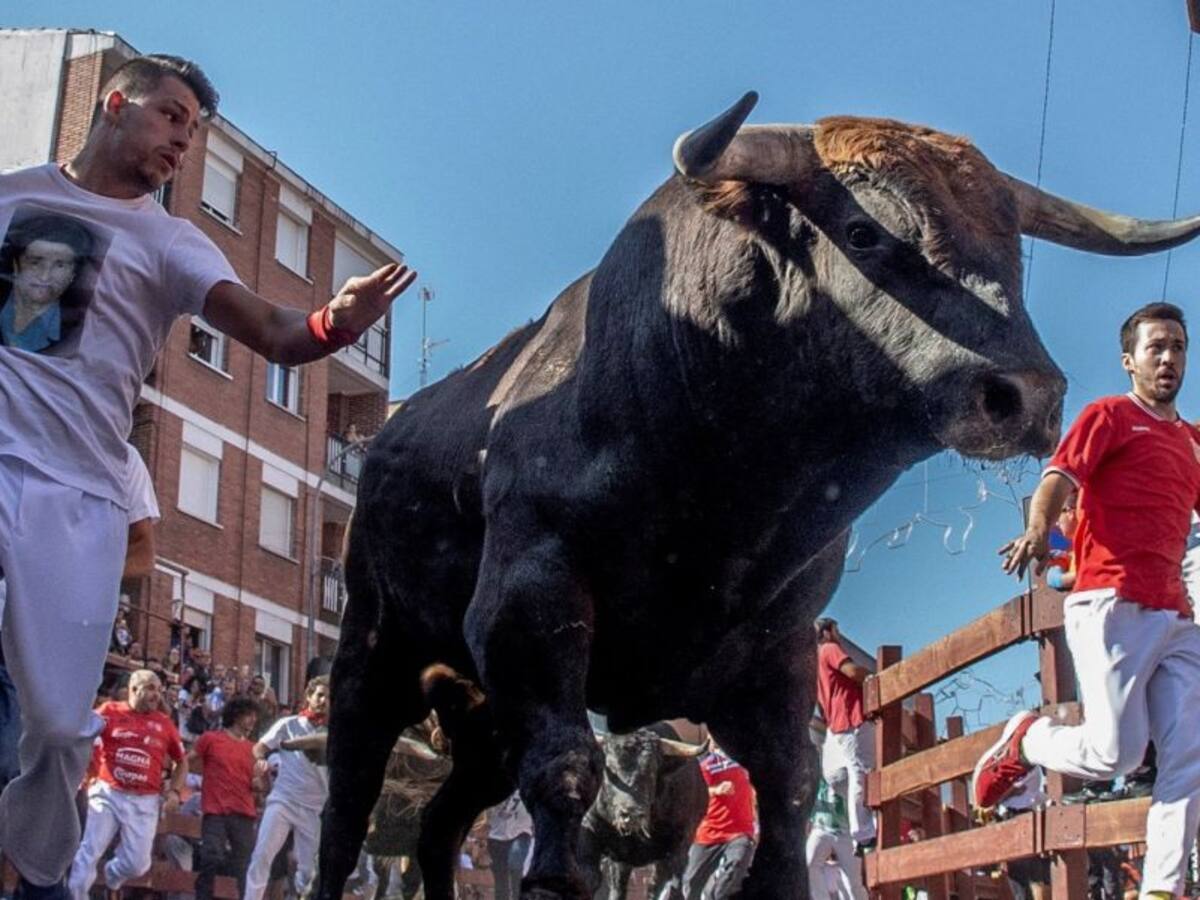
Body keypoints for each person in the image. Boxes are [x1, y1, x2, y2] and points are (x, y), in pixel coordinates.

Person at [0, 52, 414, 897]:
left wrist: (337, 322)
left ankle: (38, 872)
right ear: (116, 103)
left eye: (192, 133)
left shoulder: (170, 242)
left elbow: (274, 333)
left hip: (77, 495)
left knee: (56, 726)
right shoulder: (9, 197)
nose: (182, 143)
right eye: (171, 117)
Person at [974, 302, 1200, 900]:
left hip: (1177, 615)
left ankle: (1161, 889)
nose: (1169, 358)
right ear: (1130, 361)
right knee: (1115, 755)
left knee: (1189, 754)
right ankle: (1028, 739)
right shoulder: (1110, 416)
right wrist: (1037, 529)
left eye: (1178, 347)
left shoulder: (1192, 441)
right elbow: (1059, 476)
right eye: (1156, 348)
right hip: (1110, 603)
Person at [66, 669, 187, 900]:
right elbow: (81, 737)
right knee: (89, 851)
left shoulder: (164, 723)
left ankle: (113, 876)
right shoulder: (109, 711)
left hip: (145, 800)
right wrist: (85, 772)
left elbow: (182, 761)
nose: (156, 695)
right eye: (150, 688)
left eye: (159, 690)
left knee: (138, 865)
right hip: (107, 793)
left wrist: (174, 791)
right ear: (133, 689)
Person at [243, 675, 330, 900]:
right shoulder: (288, 724)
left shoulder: (334, 734)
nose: (324, 701)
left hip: (314, 808)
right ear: (309, 696)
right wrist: (261, 760)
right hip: (283, 800)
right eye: (320, 695)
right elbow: (259, 747)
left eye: (329, 698)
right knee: (262, 855)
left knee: (310, 872)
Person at [188, 696, 260, 900]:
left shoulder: (254, 748)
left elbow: (258, 786)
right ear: (236, 715)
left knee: (244, 865)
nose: (253, 720)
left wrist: (260, 782)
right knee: (210, 856)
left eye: (255, 716)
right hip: (215, 811)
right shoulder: (210, 739)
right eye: (249, 715)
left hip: (244, 812)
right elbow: (187, 761)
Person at [814, 617, 876, 852]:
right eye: (836, 631)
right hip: (851, 718)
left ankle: (859, 831)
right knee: (862, 772)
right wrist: (875, 677)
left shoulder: (814, 663)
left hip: (837, 725)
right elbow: (852, 671)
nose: (838, 635)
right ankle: (863, 834)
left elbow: (821, 705)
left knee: (851, 774)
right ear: (827, 632)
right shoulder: (829, 648)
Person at [0, 214, 94, 353]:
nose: (45, 276)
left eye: (60, 265)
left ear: (73, 274)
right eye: (35, 263)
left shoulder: (80, 330)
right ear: (16, 265)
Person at [681, 741, 756, 900]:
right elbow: (691, 791)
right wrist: (716, 790)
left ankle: (714, 896)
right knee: (690, 883)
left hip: (739, 831)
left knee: (736, 863)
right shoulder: (702, 760)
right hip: (708, 833)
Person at [806, 776, 868, 900]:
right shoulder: (816, 770)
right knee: (809, 864)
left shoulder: (848, 770)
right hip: (822, 827)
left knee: (852, 883)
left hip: (848, 832)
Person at [486, 791, 533, 900]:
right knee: (500, 877)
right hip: (496, 836)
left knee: (515, 860)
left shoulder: (526, 787)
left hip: (521, 832)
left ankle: (517, 895)